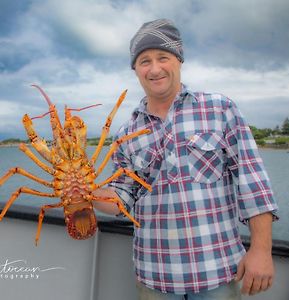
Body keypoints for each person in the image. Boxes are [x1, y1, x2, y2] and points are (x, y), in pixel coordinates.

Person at [93, 19, 278, 300]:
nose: (154, 69)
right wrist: (86, 194)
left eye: (162, 57)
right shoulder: (126, 133)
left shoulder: (220, 109)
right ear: (135, 69)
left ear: (178, 60)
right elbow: (122, 199)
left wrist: (262, 251)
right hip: (154, 278)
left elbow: (254, 184)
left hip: (219, 272)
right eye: (144, 61)